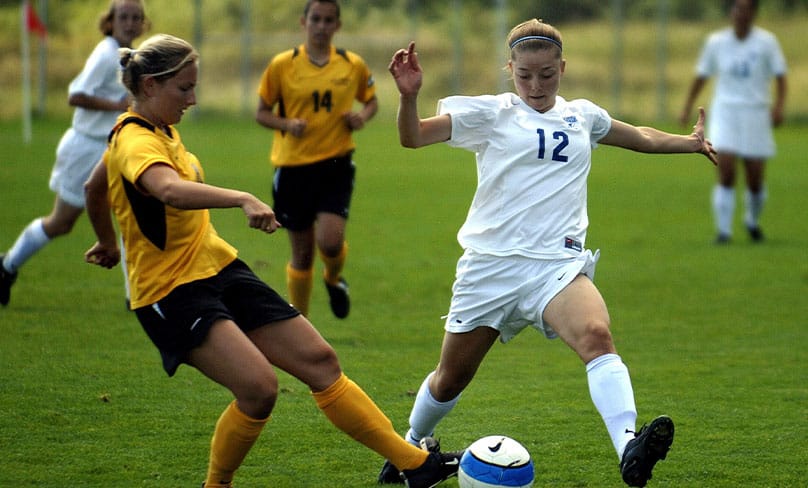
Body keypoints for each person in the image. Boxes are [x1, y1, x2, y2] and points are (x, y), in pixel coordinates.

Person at [83, 33, 461, 488]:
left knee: (320, 361)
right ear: (148, 86)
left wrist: (107, 241)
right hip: (170, 290)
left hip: (218, 267)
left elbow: (93, 187)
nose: (194, 98)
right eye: (184, 88)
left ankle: (415, 467)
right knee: (258, 390)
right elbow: (167, 190)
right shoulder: (133, 139)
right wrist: (241, 197)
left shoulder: (158, 129)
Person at [379, 19, 718, 488]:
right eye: (524, 75)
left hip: (555, 267)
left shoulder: (583, 116)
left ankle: (628, 448)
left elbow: (638, 136)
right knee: (450, 379)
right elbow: (412, 136)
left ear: (562, 67)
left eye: (546, 74)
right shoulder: (490, 114)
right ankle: (410, 445)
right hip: (490, 267)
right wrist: (409, 95)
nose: (536, 85)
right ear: (509, 69)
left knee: (597, 335)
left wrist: (690, 143)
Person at [0, 0, 148, 307]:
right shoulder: (107, 53)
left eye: (136, 17)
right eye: (124, 17)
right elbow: (75, 95)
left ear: (144, 22)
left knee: (130, 215)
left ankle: (135, 296)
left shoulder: (131, 56)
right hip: (85, 147)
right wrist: (117, 105)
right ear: (111, 21)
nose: (130, 23)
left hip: (114, 147)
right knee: (61, 222)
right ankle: (6, 266)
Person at [255, 0, 378, 319]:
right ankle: (302, 323)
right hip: (293, 167)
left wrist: (361, 117)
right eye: (316, 19)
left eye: (328, 20)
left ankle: (334, 278)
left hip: (335, 164)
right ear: (304, 22)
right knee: (303, 253)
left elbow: (371, 101)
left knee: (331, 242)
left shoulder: (352, 64)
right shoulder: (283, 65)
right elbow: (261, 113)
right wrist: (286, 124)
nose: (321, 26)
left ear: (337, 25)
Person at [680, 0, 787, 244]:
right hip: (726, 112)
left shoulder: (767, 42)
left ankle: (752, 220)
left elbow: (780, 76)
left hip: (756, 113)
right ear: (732, 12)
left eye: (746, 8)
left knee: (755, 177)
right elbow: (702, 75)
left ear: (754, 13)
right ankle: (724, 231)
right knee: (725, 169)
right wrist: (687, 106)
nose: (741, 13)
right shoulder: (717, 42)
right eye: (737, 8)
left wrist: (779, 106)